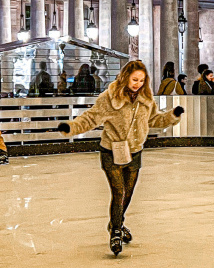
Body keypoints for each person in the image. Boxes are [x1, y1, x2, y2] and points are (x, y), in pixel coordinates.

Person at [56, 61, 184, 256]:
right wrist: (71, 128)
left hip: (134, 151)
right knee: (119, 192)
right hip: (111, 151)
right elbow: (90, 118)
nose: (137, 84)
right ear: (125, 77)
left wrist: (172, 116)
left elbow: (154, 120)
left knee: (128, 194)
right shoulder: (109, 98)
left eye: (141, 80)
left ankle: (116, 222)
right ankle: (116, 232)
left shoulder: (146, 99)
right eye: (134, 80)